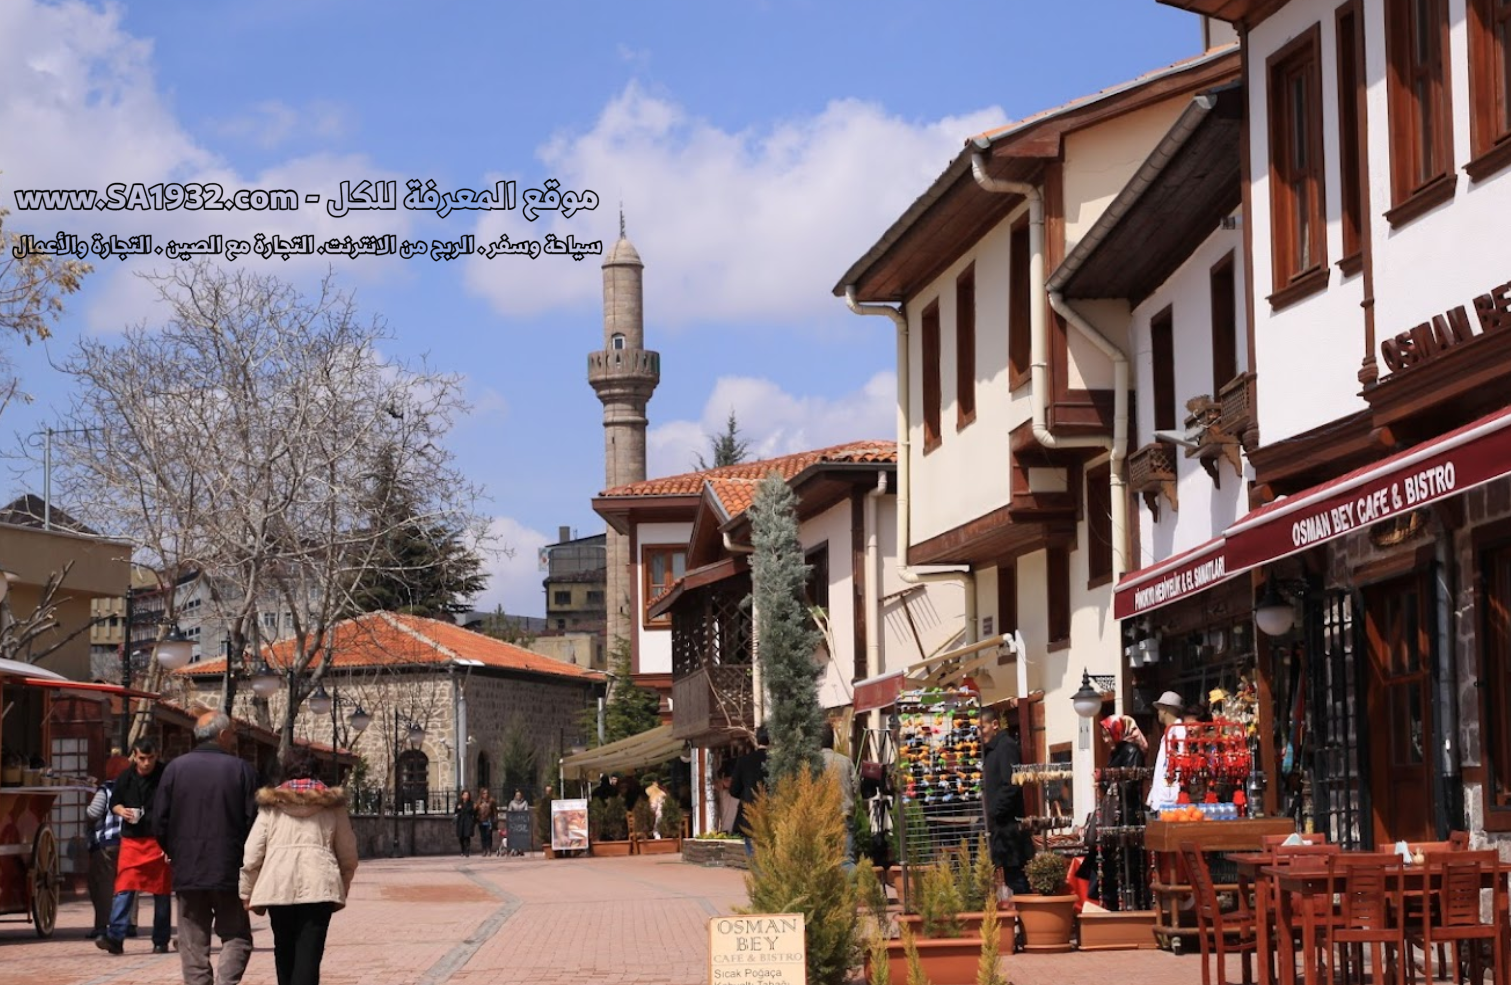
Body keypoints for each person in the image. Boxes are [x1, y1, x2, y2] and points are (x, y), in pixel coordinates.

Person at [155, 710, 259, 985]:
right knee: (236, 935)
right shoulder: (242, 770)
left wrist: (175, 851)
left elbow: (159, 821)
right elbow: (255, 823)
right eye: (233, 733)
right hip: (229, 867)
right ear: (223, 735)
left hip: (188, 868)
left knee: (191, 940)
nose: (233, 738)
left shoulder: (174, 769)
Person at [239, 747, 358, 985]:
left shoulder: (272, 804)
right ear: (317, 771)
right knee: (310, 957)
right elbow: (348, 854)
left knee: (284, 950)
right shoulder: (332, 805)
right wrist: (341, 884)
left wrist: (246, 890)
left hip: (278, 885)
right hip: (320, 885)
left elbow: (252, 853)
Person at [99, 737, 172, 955]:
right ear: (134, 756)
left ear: (156, 756)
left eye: (150, 758)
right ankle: (116, 937)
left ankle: (161, 939)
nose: (146, 763)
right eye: (142, 758)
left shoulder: (166, 775)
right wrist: (121, 810)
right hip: (132, 840)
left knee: (162, 891)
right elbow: (114, 803)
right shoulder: (126, 777)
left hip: (158, 839)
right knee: (124, 888)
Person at [980, 707, 1029, 897]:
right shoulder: (989, 750)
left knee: (1015, 877)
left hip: (1007, 827)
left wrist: (992, 812)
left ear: (994, 725)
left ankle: (1025, 921)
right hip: (995, 826)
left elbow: (1011, 784)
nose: (979, 733)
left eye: (981, 727)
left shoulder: (1006, 746)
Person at [86, 755, 131, 940]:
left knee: (103, 885)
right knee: (127, 883)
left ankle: (101, 926)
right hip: (128, 842)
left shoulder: (105, 790)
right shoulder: (132, 789)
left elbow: (93, 812)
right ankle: (129, 923)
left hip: (106, 843)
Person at [819, 727, 856, 869]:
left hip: (822, 815)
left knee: (823, 858)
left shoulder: (813, 762)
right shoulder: (846, 761)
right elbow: (856, 786)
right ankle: (853, 889)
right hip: (844, 812)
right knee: (847, 858)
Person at [728, 727, 769, 856]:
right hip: (771, 811)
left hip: (749, 812)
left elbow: (733, 790)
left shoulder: (744, 761)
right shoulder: (777, 761)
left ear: (756, 740)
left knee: (752, 854)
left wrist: (747, 793)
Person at [1147, 691, 1188, 814]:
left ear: (1164, 710)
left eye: (1159, 709)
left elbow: (1181, 762)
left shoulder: (1179, 731)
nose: (1158, 712)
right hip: (1162, 798)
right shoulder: (1169, 732)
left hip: (1170, 798)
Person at [505, 789, 529, 856]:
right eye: (517, 795)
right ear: (515, 796)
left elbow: (526, 811)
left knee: (521, 836)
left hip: (522, 823)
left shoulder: (525, 803)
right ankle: (514, 849)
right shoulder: (512, 803)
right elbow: (509, 812)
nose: (518, 796)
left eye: (519, 795)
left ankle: (520, 849)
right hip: (514, 823)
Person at [455, 789, 477, 857]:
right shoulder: (459, 803)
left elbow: (473, 812)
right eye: (464, 795)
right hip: (461, 821)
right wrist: (458, 808)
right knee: (461, 837)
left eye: (467, 795)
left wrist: (474, 809)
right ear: (462, 796)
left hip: (468, 821)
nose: (466, 796)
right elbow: (455, 812)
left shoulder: (471, 803)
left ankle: (467, 851)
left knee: (467, 837)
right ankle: (462, 850)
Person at [476, 790, 497, 857]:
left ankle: (489, 849)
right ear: (481, 794)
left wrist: (495, 819)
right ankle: (484, 849)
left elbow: (495, 811)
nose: (486, 795)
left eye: (487, 793)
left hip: (489, 820)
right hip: (481, 820)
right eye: (484, 793)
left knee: (488, 835)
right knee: (483, 836)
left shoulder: (491, 801)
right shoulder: (479, 802)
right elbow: (476, 811)